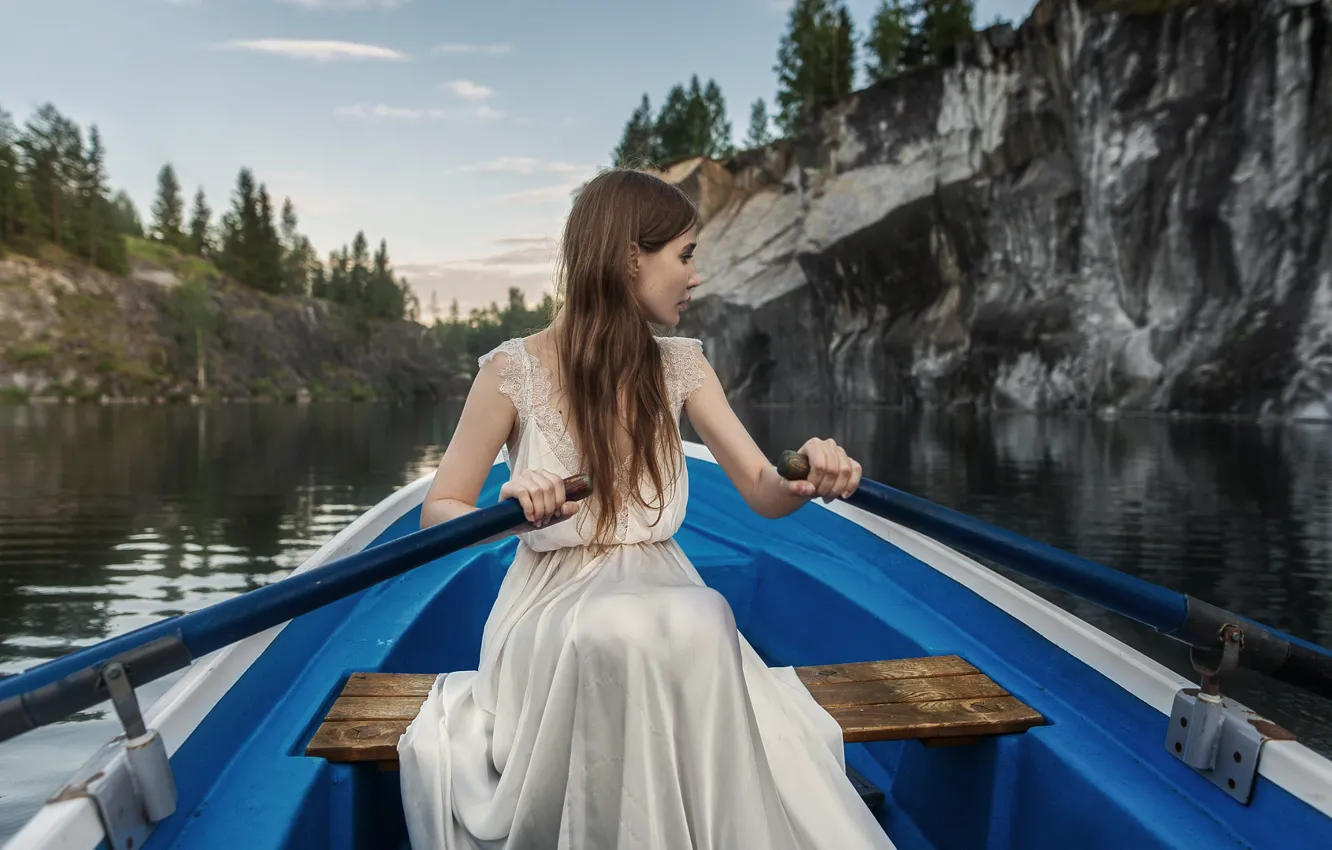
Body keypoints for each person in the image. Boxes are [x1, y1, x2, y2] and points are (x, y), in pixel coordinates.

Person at [398, 168, 896, 850]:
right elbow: (440, 509)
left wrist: (808, 470)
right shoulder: (509, 371)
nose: (695, 277)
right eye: (685, 256)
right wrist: (512, 506)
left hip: (667, 583)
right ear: (632, 255)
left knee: (704, 616)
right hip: (552, 606)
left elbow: (760, 484)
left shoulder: (683, 365)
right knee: (621, 634)